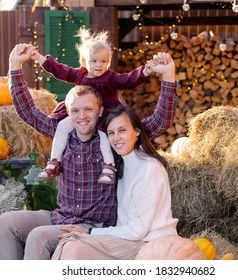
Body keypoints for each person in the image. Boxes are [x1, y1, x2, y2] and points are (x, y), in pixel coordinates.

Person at [0, 43, 177, 260]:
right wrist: (15, 66)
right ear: (68, 112)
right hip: (61, 217)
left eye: (89, 109)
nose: (82, 116)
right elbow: (28, 112)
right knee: (5, 222)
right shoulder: (62, 135)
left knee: (38, 236)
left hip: (94, 225)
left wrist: (168, 76)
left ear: (100, 111)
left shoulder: (113, 139)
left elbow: (159, 121)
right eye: (76, 111)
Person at [51, 104, 178, 260]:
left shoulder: (148, 169)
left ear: (137, 131)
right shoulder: (122, 165)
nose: (116, 138)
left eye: (122, 130)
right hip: (128, 239)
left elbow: (137, 231)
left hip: (151, 243)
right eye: (111, 133)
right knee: (70, 241)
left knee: (73, 245)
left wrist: (90, 232)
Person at [32, 27, 154, 184]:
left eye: (104, 61)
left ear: (108, 62)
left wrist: (145, 71)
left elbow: (128, 80)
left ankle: (108, 168)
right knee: (62, 126)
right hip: (84, 113)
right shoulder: (79, 74)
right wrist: (40, 58)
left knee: (104, 134)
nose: (99, 65)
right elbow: (60, 70)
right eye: (94, 61)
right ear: (84, 62)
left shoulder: (111, 77)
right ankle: (54, 162)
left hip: (106, 114)